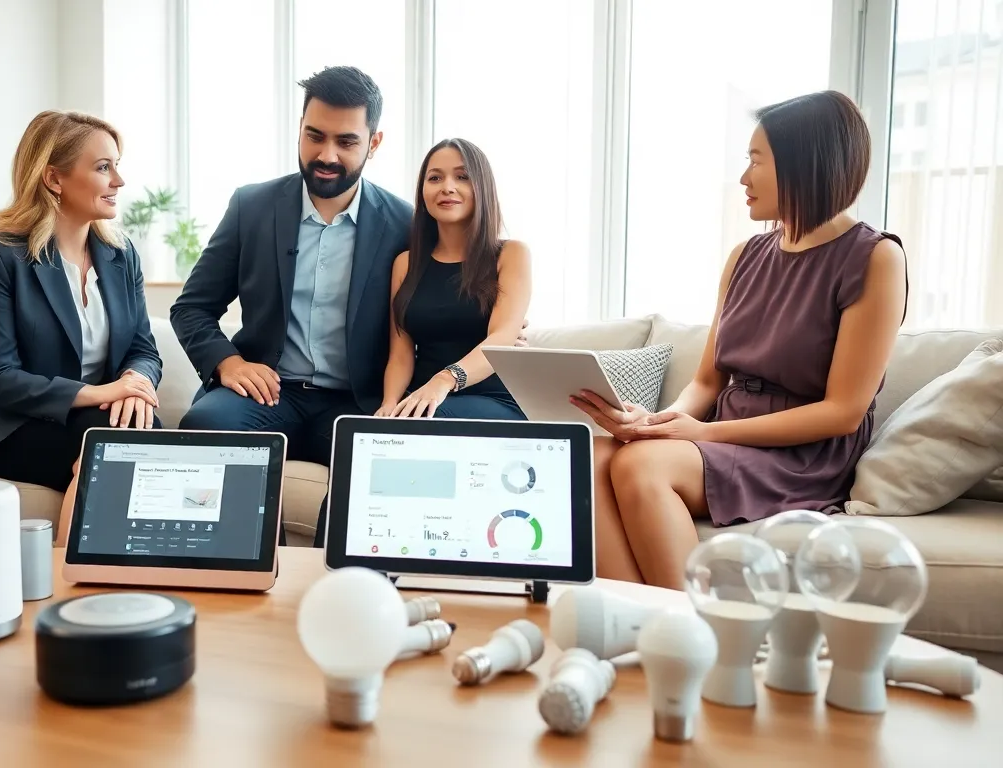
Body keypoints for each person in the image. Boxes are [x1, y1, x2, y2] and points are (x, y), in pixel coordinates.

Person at [573, 90, 908, 589]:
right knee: (590, 456)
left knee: (642, 466)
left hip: (803, 453)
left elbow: (843, 411)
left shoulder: (875, 258)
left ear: (804, 165)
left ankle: (694, 637)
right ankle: (639, 632)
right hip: (728, 432)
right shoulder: (746, 255)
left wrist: (702, 433)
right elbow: (709, 379)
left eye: (756, 161)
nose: (743, 178)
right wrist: (665, 420)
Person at [171, 67, 412, 468]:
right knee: (204, 425)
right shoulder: (251, 207)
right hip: (264, 395)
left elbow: (438, 308)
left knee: (383, 461)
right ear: (299, 128)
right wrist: (229, 363)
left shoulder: (406, 225)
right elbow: (191, 308)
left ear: (374, 143)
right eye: (315, 135)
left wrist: (500, 322)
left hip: (355, 403)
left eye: (346, 141)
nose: (326, 155)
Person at [0, 110, 163, 515]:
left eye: (116, 167)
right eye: (104, 168)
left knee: (143, 429)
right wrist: (102, 393)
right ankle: (75, 573)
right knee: (111, 441)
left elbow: (143, 347)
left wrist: (135, 382)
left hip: (82, 417)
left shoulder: (122, 256)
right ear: (54, 179)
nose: (119, 182)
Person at [378, 138, 531, 420]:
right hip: (423, 400)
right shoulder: (405, 264)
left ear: (482, 187)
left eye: (462, 177)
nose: (447, 187)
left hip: (492, 399)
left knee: (423, 418)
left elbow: (502, 338)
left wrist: (444, 380)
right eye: (435, 177)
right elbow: (400, 355)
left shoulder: (511, 254)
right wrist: (389, 404)